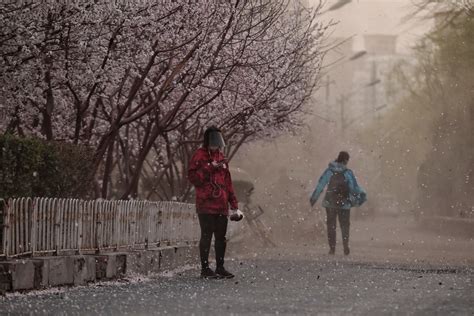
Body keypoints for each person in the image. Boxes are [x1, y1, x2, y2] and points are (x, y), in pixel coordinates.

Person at [187, 126, 243, 279]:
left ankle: (220, 267)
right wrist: (209, 168)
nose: (217, 145)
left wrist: (234, 205)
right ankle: (205, 269)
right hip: (205, 205)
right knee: (206, 236)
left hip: (221, 205)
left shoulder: (221, 157)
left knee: (221, 237)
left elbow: (228, 183)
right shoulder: (199, 155)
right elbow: (193, 178)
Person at [309, 151, 366, 255]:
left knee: (331, 226)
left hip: (330, 202)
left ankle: (332, 248)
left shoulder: (329, 171)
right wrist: (361, 196)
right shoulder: (348, 173)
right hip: (344, 204)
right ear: (345, 160)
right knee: (344, 225)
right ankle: (345, 246)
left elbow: (320, 185)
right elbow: (354, 188)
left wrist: (313, 198)